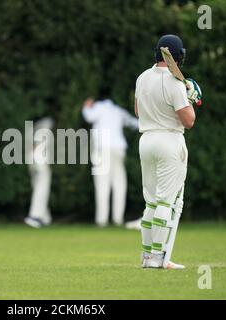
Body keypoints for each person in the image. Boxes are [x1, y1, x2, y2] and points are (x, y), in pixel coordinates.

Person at [134, 34, 202, 269]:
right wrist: (190, 98)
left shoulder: (142, 77)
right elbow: (189, 121)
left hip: (146, 141)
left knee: (151, 202)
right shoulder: (175, 83)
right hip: (169, 141)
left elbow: (137, 110)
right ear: (179, 56)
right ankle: (157, 258)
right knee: (164, 201)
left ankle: (147, 256)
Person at [82, 97, 139, 227]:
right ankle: (117, 219)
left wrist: (86, 106)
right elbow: (134, 123)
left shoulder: (99, 107)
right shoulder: (118, 110)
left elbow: (89, 117)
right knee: (120, 185)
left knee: (102, 185)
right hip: (118, 150)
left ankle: (102, 220)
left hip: (103, 150)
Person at [24, 117, 54, 228]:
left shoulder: (32, 124)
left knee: (38, 186)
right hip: (39, 157)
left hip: (32, 157)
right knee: (42, 187)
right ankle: (35, 216)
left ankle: (45, 218)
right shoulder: (46, 122)